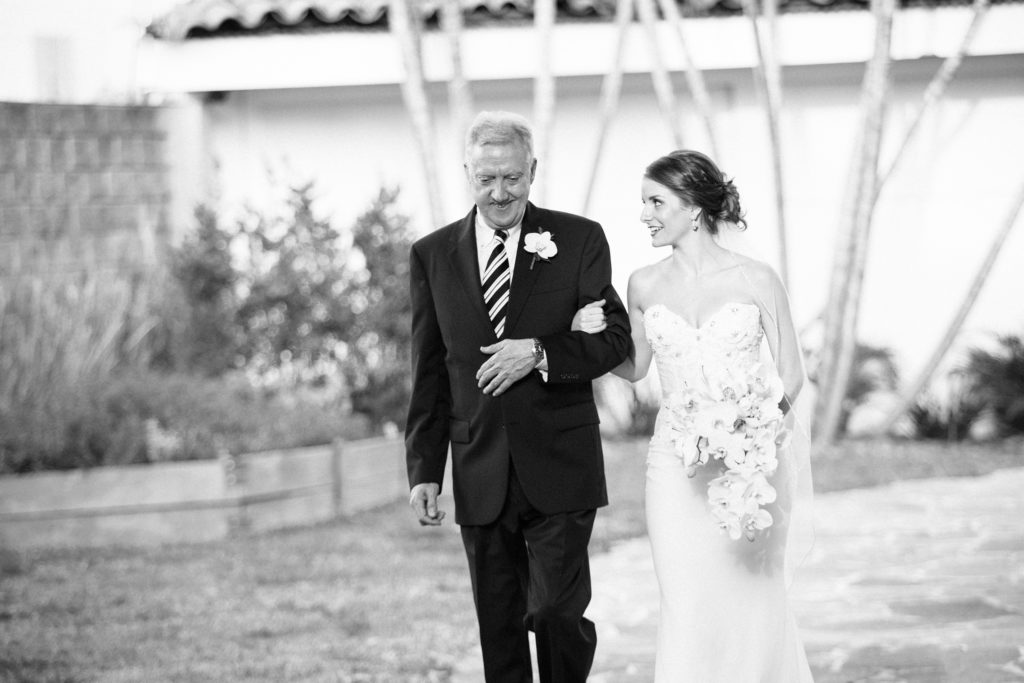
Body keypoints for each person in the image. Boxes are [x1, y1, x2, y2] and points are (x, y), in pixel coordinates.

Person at [405, 110, 631, 683]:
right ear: (467, 174)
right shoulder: (431, 255)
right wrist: (425, 470)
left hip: (561, 462)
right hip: (479, 466)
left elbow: (614, 342)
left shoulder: (579, 239)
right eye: (486, 179)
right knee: (499, 629)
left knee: (555, 612)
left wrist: (538, 351)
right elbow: (429, 371)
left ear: (533, 170)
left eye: (512, 177)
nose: (500, 193)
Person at [575, 149, 814, 681]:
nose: (645, 215)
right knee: (685, 599)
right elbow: (635, 367)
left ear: (694, 208)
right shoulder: (642, 283)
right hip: (674, 467)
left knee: (749, 595)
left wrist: (755, 437)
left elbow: (792, 376)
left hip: (750, 468)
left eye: (656, 202)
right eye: (644, 203)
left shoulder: (756, 278)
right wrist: (587, 337)